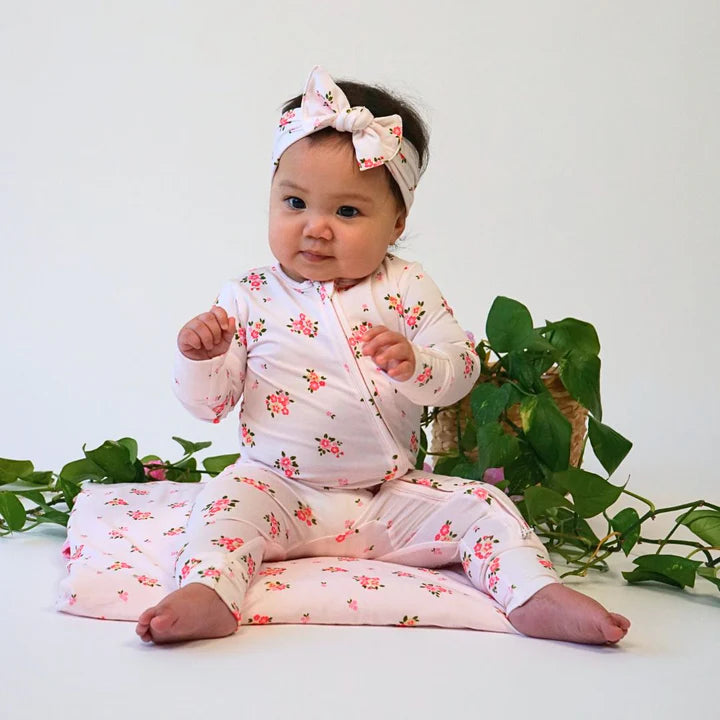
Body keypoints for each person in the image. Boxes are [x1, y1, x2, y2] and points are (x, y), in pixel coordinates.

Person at [136, 66, 630, 646]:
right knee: (222, 509)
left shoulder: (406, 286)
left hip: (386, 496)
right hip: (276, 488)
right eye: (294, 202)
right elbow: (211, 406)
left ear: (396, 223)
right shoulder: (248, 296)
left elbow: (461, 368)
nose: (316, 228)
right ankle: (209, 592)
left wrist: (419, 365)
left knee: (485, 505)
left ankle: (532, 593)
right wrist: (202, 359)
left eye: (347, 212)